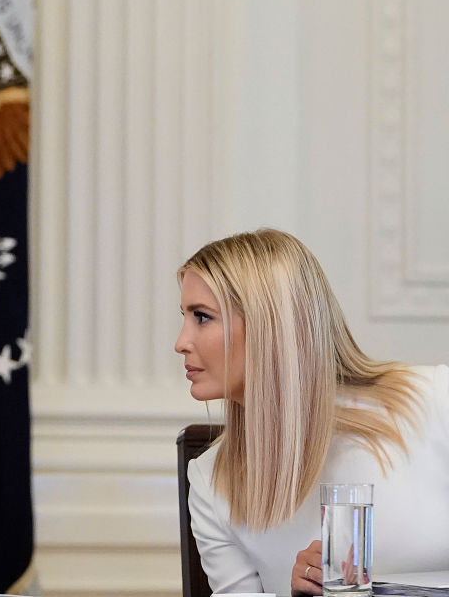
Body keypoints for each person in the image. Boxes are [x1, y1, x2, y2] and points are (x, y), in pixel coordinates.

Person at [175, 228, 449, 596]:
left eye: (202, 317)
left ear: (268, 324)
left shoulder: (432, 401)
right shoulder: (211, 480)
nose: (180, 342)